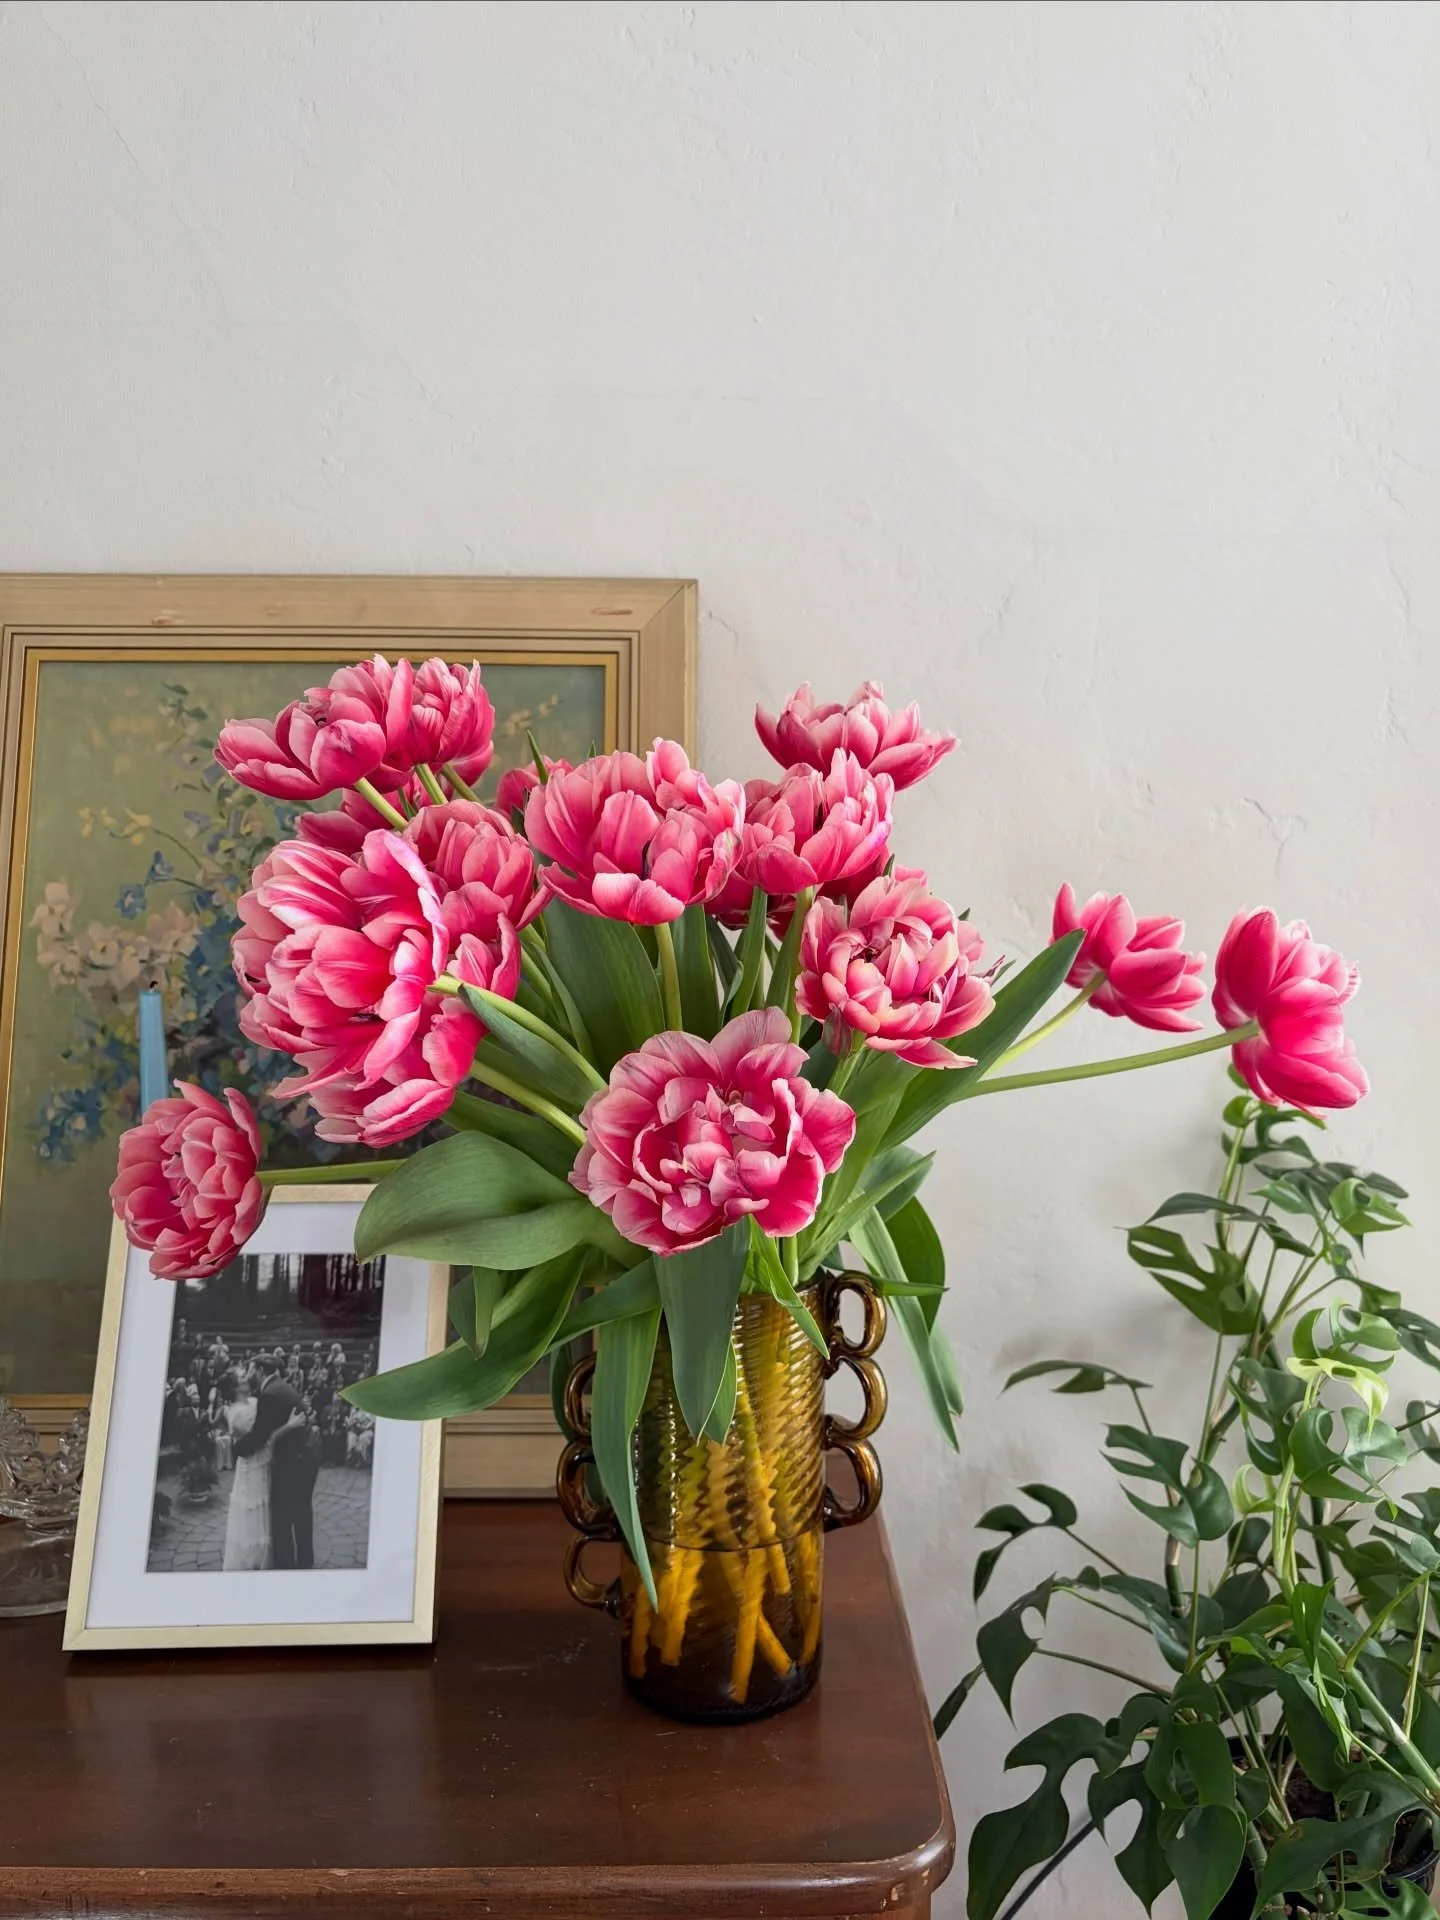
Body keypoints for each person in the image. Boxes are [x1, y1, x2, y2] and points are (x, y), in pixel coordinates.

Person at [231, 1353, 318, 1570]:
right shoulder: (279, 1386)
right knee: (301, 1509)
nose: (249, 1374)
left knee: (281, 1514)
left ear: (260, 1371)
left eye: (251, 1369)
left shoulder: (269, 1393)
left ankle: (285, 1565)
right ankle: (306, 1560)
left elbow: (260, 1435)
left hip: (295, 1459)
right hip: (307, 1453)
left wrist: (237, 1448)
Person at [222, 1368, 283, 1570]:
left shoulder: (255, 1402)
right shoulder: (237, 1413)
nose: (246, 1378)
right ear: (235, 1387)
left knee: (264, 1505)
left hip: (263, 1461)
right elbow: (261, 1433)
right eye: (241, 1377)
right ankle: (252, 1557)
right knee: (252, 1508)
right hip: (251, 1466)